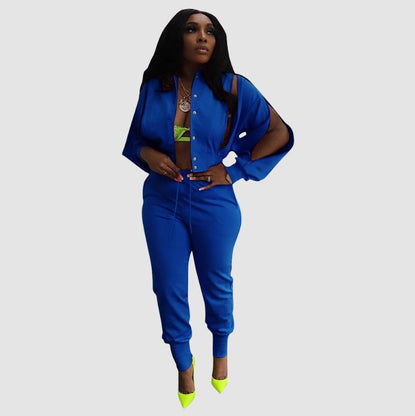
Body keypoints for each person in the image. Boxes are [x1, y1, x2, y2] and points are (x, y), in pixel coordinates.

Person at [122, 8, 294, 408]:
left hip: (213, 199)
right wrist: (150, 155)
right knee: (168, 285)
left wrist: (235, 171)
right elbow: (134, 141)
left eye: (211, 31)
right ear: (176, 38)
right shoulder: (155, 86)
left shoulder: (233, 87)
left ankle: (220, 353)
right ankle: (184, 364)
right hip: (162, 199)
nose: (203, 37)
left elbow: (279, 132)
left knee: (216, 282)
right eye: (192, 29)